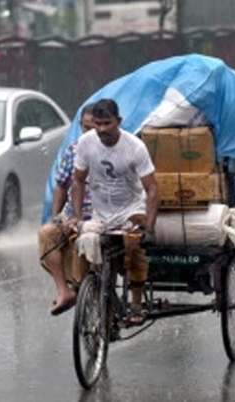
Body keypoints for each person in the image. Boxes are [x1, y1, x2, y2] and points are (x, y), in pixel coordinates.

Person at [68, 99, 159, 325]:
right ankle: (89, 292)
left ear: (118, 121)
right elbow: (78, 181)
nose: (102, 129)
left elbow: (152, 188)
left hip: (131, 209)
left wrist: (150, 225)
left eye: (107, 123)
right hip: (102, 212)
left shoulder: (135, 147)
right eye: (97, 124)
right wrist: (78, 217)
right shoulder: (85, 143)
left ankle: (136, 303)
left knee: (134, 245)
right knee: (85, 243)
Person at [38, 103, 95, 316]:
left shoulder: (113, 149)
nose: (89, 133)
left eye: (94, 128)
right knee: (47, 234)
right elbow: (62, 184)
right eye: (85, 128)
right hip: (74, 215)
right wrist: (55, 217)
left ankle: (96, 295)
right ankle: (64, 291)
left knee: (89, 243)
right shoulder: (73, 150)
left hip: (102, 217)